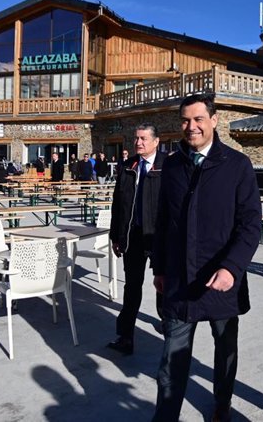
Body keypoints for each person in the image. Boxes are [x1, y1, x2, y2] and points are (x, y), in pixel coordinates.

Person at [151, 94, 262, 422]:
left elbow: (250, 225)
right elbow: (162, 221)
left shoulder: (238, 165)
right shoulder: (170, 164)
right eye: (185, 120)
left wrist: (232, 267)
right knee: (172, 359)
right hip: (178, 280)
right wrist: (158, 267)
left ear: (214, 120)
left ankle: (222, 406)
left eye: (198, 119)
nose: (191, 126)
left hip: (221, 279)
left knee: (225, 350)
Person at [107, 124, 167, 355]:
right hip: (133, 238)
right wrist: (115, 235)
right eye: (136, 138)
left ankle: (167, 325)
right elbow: (117, 205)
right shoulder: (127, 166)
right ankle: (125, 336)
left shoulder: (168, 166)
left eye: (143, 138)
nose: (138, 142)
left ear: (156, 142)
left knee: (163, 285)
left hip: (159, 238)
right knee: (132, 287)